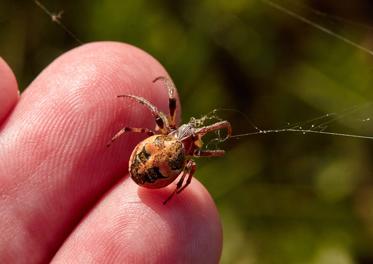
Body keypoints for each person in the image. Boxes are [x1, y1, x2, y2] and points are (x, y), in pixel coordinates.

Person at [0, 42, 222, 263]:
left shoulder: (173, 141)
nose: (191, 131)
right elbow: (190, 168)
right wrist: (176, 189)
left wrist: (141, 103)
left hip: (153, 164)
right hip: (155, 170)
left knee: (156, 119)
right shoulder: (187, 159)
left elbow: (147, 118)